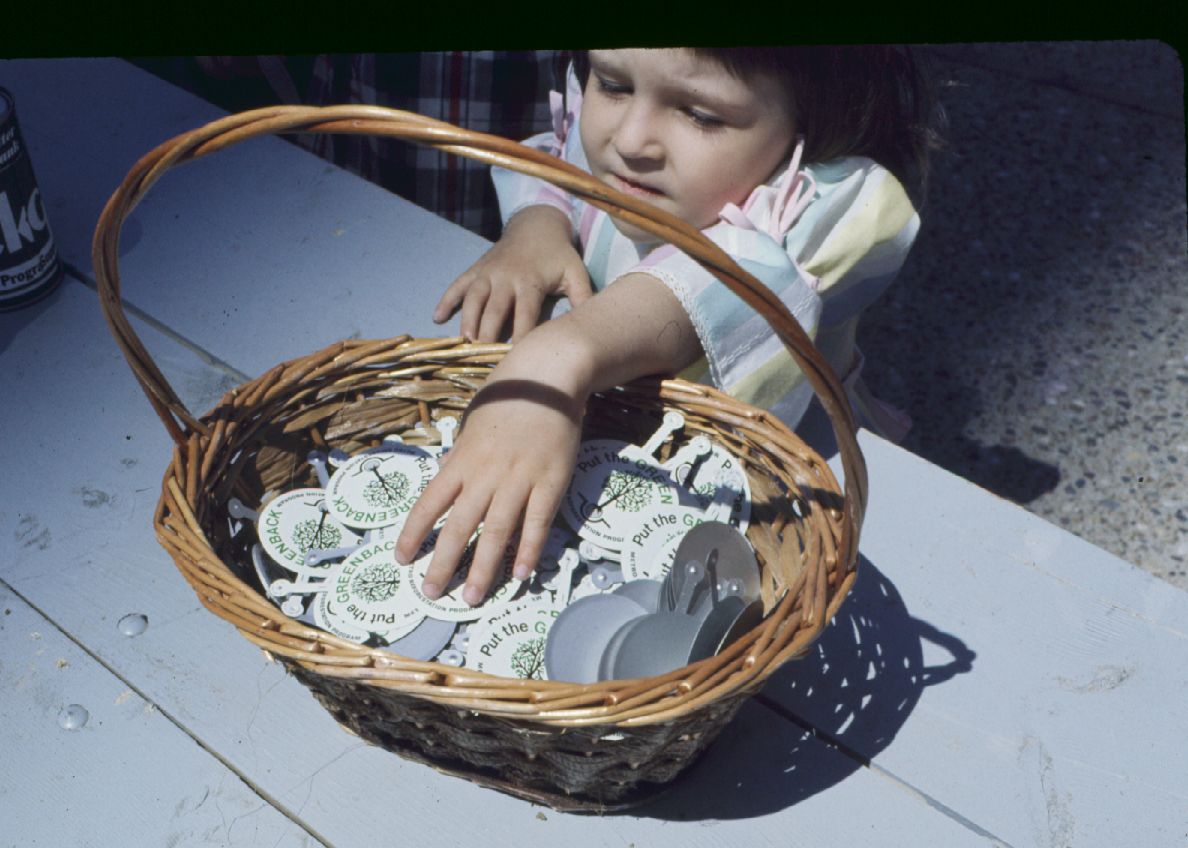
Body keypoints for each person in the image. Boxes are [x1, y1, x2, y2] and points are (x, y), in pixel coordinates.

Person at [394, 47, 940, 606]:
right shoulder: (635, 123)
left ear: (816, 113)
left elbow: (738, 278)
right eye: (612, 84)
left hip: (766, 487)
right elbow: (562, 160)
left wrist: (558, 355)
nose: (632, 140)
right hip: (599, 432)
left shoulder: (833, 201)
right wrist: (537, 226)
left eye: (701, 115)